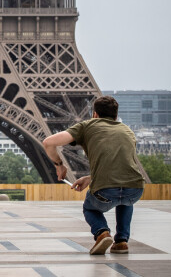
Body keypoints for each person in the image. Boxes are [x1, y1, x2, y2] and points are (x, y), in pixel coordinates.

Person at [42, 95, 145, 255]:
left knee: (89, 208)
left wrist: (59, 165)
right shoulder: (127, 130)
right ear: (116, 116)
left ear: (95, 114)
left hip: (106, 191)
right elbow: (120, 164)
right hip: (135, 189)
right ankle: (121, 241)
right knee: (125, 200)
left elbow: (48, 142)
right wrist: (90, 179)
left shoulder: (87, 126)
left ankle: (102, 232)